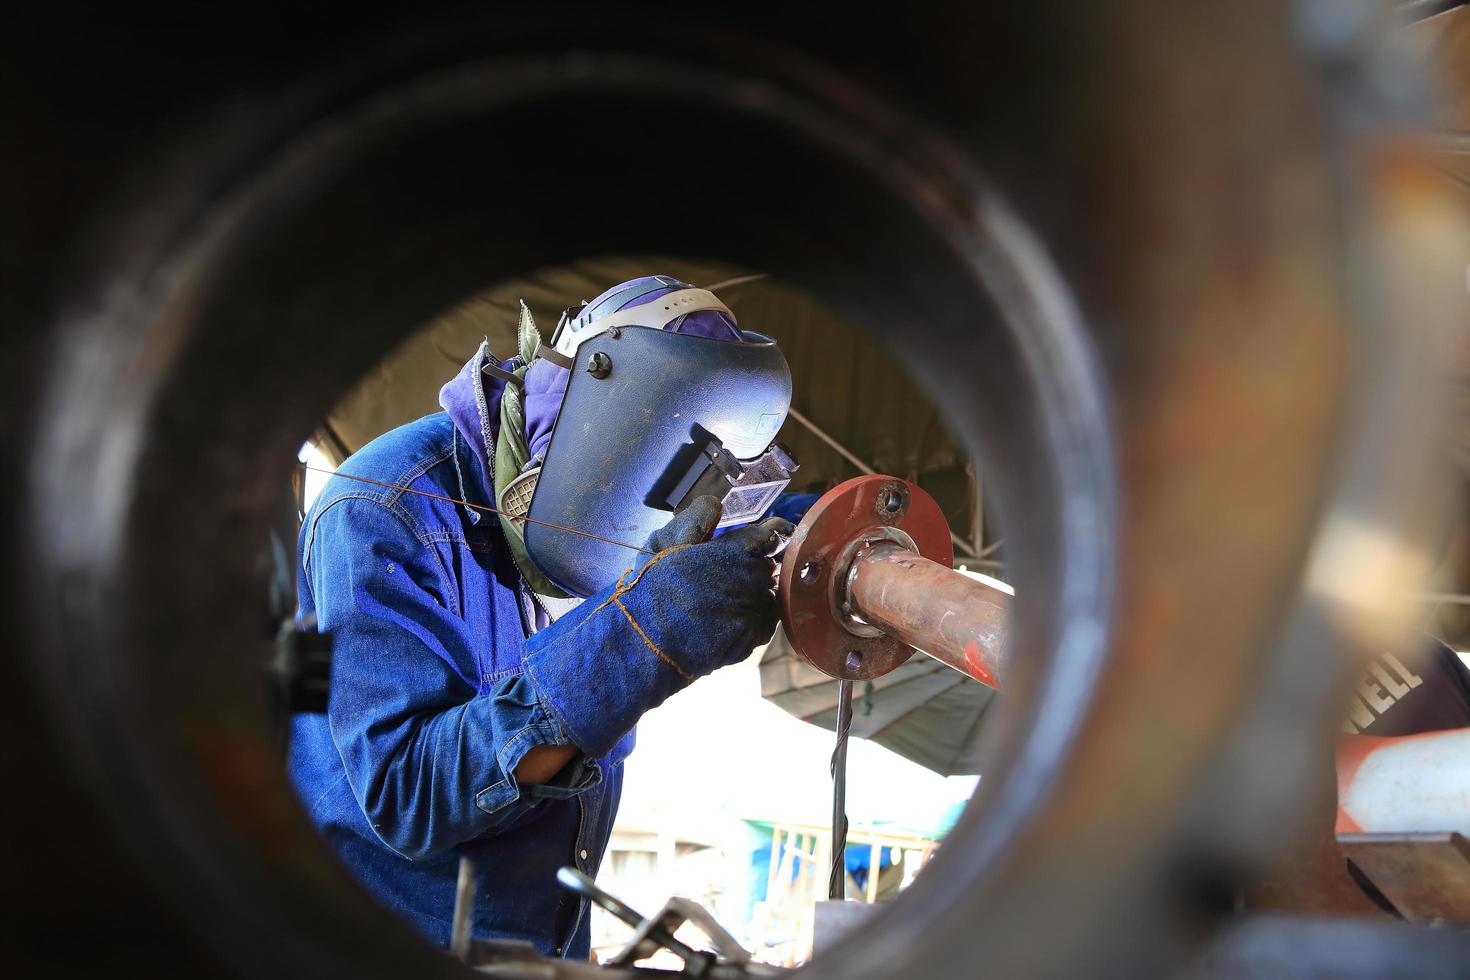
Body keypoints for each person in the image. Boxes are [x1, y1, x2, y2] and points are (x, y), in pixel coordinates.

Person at [288, 276, 798, 957]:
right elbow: (407, 793)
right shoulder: (384, 510)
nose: (644, 522)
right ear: (588, 419)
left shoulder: (625, 513)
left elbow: (773, 527)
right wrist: (639, 638)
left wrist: (819, 534)